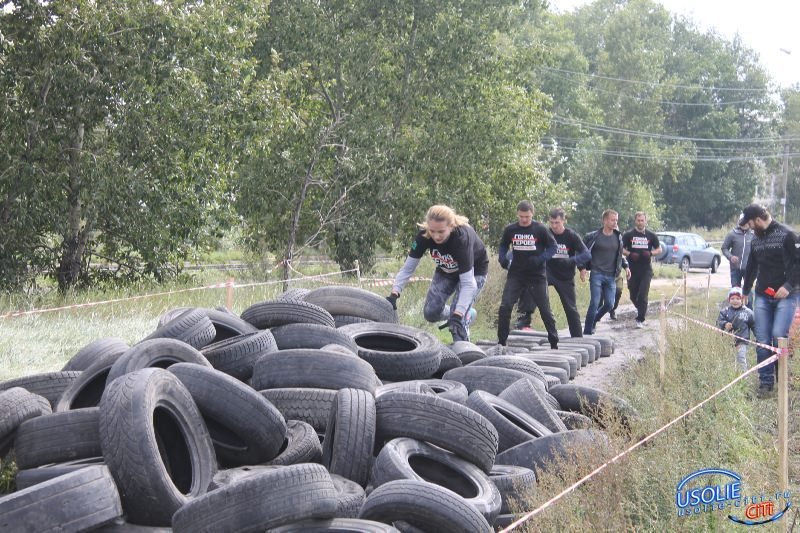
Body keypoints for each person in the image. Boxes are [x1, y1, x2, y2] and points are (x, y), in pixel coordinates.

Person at [386, 205, 489, 342]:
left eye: (441, 232)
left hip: (474, 272)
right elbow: (407, 268)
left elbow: (468, 283)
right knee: (431, 313)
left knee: (457, 324)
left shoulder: (461, 238)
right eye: (432, 231)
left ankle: (465, 347)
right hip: (446, 270)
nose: (436, 236)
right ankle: (467, 313)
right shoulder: (424, 236)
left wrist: (458, 315)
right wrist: (394, 294)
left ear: (451, 227)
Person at [740, 203, 800, 395]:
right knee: (762, 339)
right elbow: (751, 267)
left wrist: (788, 286)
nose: (748, 228)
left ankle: (782, 378)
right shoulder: (755, 240)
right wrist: (745, 290)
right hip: (763, 296)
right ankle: (765, 383)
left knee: (777, 336)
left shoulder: (788, 235)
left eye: (749, 224)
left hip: (787, 296)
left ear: (758, 220)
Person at [515, 208, 590, 337]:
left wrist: (573, 261)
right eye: (552, 222)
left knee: (570, 307)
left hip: (565, 277)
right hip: (547, 272)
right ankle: (524, 322)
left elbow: (586, 254)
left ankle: (577, 336)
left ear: (563, 221)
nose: (554, 226)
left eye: (557, 223)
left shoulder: (571, 236)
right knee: (530, 286)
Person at [497, 201, 559, 349]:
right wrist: (502, 258)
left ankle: (554, 341)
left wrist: (540, 259)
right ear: (517, 214)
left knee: (545, 309)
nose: (524, 220)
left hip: (536, 275)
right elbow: (504, 245)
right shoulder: (511, 229)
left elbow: (553, 247)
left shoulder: (540, 229)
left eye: (527, 217)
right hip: (516, 274)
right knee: (505, 306)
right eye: (521, 216)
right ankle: (501, 341)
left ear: (532, 214)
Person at [583, 209, 630, 335]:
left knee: (609, 304)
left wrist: (626, 267)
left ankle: (594, 320)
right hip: (596, 274)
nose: (615, 222)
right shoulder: (593, 236)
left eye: (616, 220)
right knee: (595, 302)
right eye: (612, 220)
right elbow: (583, 252)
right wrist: (582, 268)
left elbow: (620, 255)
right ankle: (587, 330)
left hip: (611, 276)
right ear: (604, 220)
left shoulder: (618, 236)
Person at [622, 212, 662, 328]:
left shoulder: (651, 235)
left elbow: (659, 249)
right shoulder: (628, 235)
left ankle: (640, 319)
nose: (640, 222)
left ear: (646, 221)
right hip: (632, 269)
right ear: (635, 221)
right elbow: (621, 249)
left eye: (642, 220)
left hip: (646, 269)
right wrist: (630, 254)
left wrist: (650, 253)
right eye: (638, 220)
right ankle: (641, 309)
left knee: (643, 294)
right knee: (633, 295)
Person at [717, 286, 755, 372]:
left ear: (742, 300)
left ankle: (743, 376)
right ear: (729, 299)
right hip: (728, 340)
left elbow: (754, 325)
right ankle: (729, 375)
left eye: (738, 298)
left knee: (741, 358)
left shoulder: (748, 312)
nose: (735, 301)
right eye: (732, 298)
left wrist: (759, 337)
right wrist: (725, 324)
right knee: (728, 359)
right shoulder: (724, 311)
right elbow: (719, 321)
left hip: (742, 341)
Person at [722, 220, 754, 288]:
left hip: (749, 269)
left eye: (747, 222)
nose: (745, 224)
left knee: (748, 292)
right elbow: (724, 248)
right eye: (743, 222)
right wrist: (731, 257)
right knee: (735, 292)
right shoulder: (732, 234)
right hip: (735, 268)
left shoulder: (753, 235)